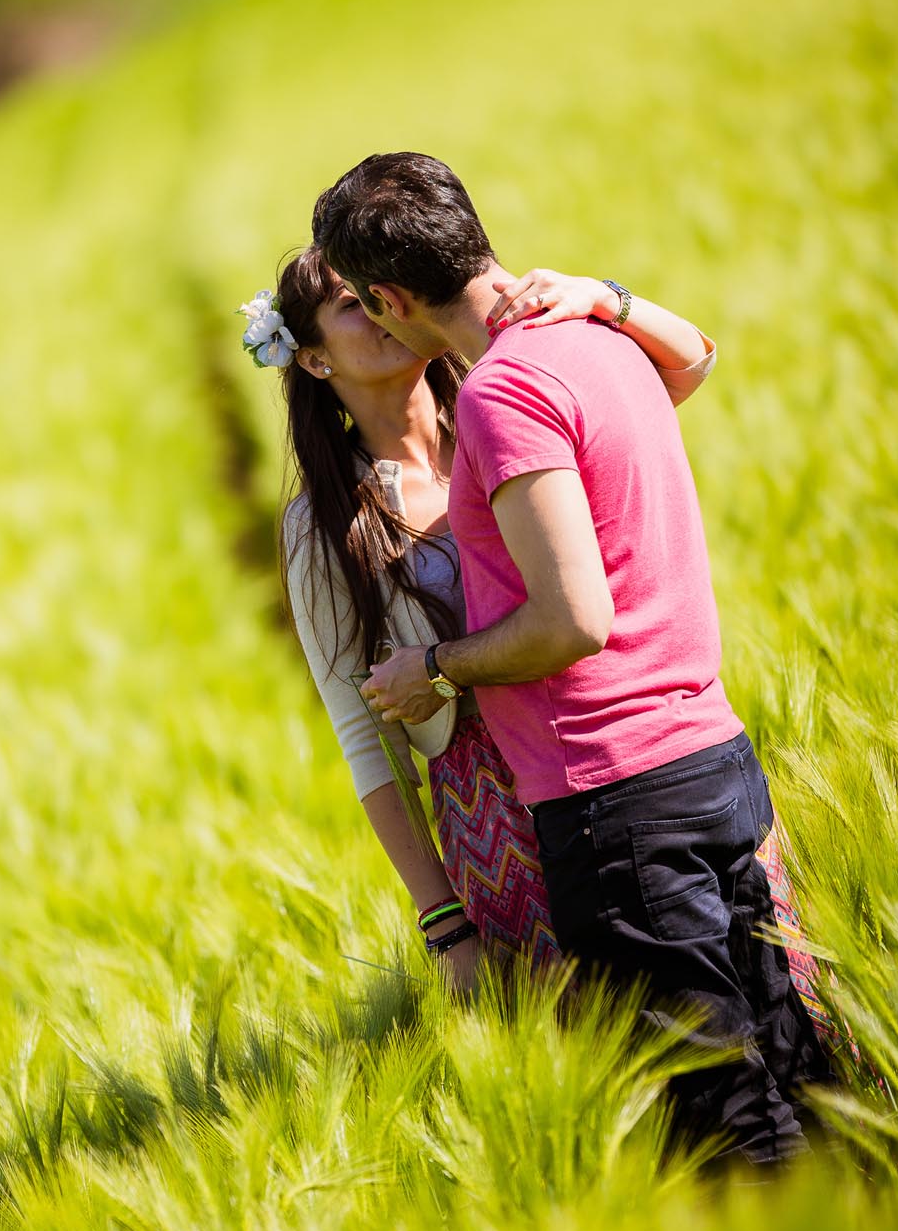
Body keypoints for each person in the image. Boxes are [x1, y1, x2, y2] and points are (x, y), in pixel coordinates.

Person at [308, 151, 831, 1163]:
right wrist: (608, 293)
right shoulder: (597, 336)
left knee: (726, 1127)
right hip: (716, 759)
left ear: (387, 296)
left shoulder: (502, 394)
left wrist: (438, 668)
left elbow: (571, 620)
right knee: (800, 1071)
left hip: (618, 803)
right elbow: (697, 357)